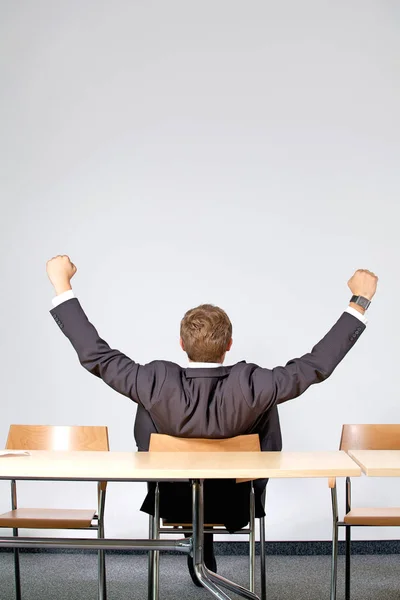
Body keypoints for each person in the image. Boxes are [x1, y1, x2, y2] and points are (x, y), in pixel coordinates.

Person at [46, 255, 378, 585]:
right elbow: (313, 367)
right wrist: (358, 302)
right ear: (229, 345)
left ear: (181, 344)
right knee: (265, 405)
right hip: (237, 503)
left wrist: (62, 285)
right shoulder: (252, 382)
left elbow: (97, 357)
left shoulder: (155, 380)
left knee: (150, 407)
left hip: (171, 501)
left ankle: (196, 531)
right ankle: (204, 536)